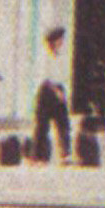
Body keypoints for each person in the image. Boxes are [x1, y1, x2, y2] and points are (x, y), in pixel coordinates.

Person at [33, 25, 72, 164]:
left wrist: (63, 91)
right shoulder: (44, 56)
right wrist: (56, 91)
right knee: (42, 125)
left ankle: (65, 154)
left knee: (63, 124)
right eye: (59, 39)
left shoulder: (60, 57)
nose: (61, 42)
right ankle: (38, 156)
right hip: (47, 91)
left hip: (59, 89)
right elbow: (45, 78)